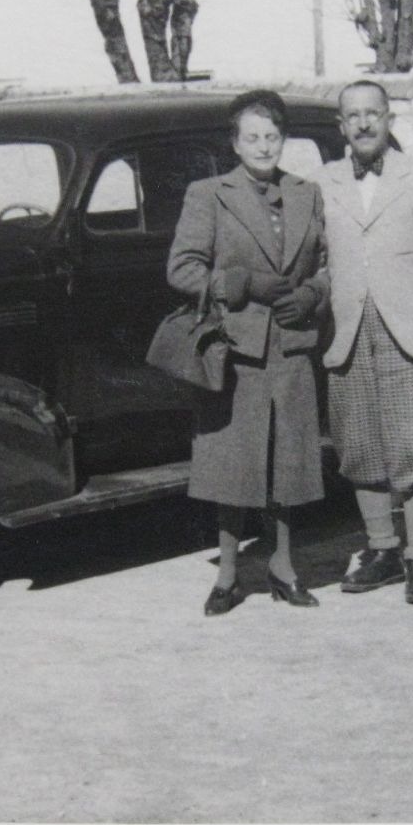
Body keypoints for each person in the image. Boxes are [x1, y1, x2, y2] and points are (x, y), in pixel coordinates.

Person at [167, 90, 329, 616]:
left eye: (273, 136)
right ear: (234, 143)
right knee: (234, 465)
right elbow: (182, 269)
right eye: (252, 137)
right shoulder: (209, 194)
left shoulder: (308, 194)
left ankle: (284, 568)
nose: (263, 146)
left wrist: (312, 295)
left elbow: (329, 266)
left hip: (293, 347)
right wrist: (237, 283)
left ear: (284, 140)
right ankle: (229, 575)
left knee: (289, 463)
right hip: (235, 352)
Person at [314, 80, 413, 605]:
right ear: (341, 126)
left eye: (372, 114)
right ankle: (381, 550)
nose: (363, 124)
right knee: (360, 447)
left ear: (389, 119)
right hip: (348, 331)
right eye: (352, 116)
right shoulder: (322, 183)